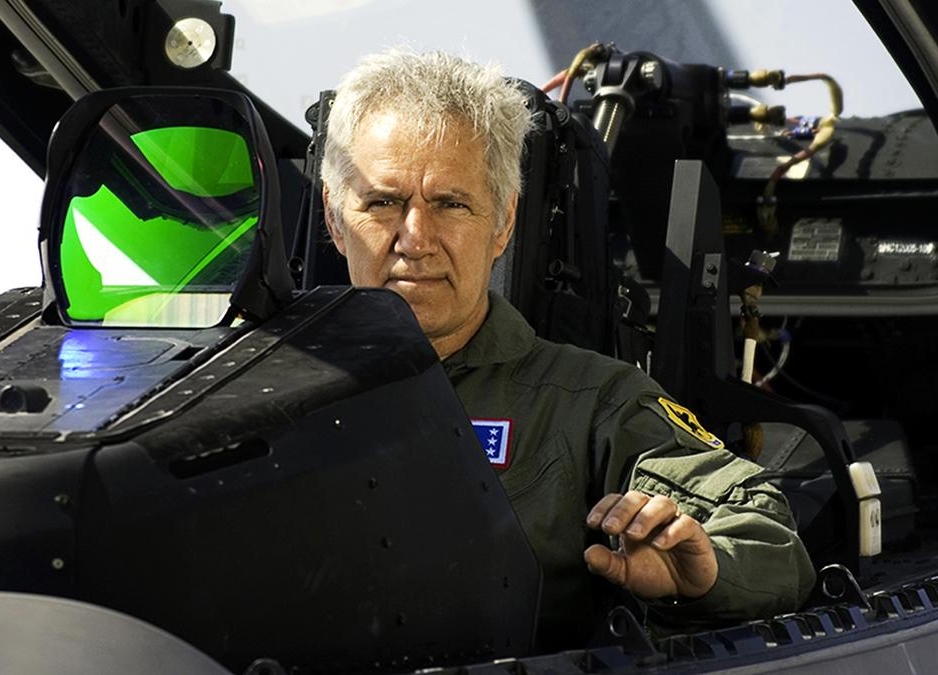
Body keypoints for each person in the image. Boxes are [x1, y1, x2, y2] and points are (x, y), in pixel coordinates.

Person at [319, 49, 815, 646]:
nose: (415, 239)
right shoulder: (248, 385)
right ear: (333, 216)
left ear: (502, 222)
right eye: (383, 202)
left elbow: (770, 540)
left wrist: (703, 571)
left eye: (451, 203)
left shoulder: (593, 405)